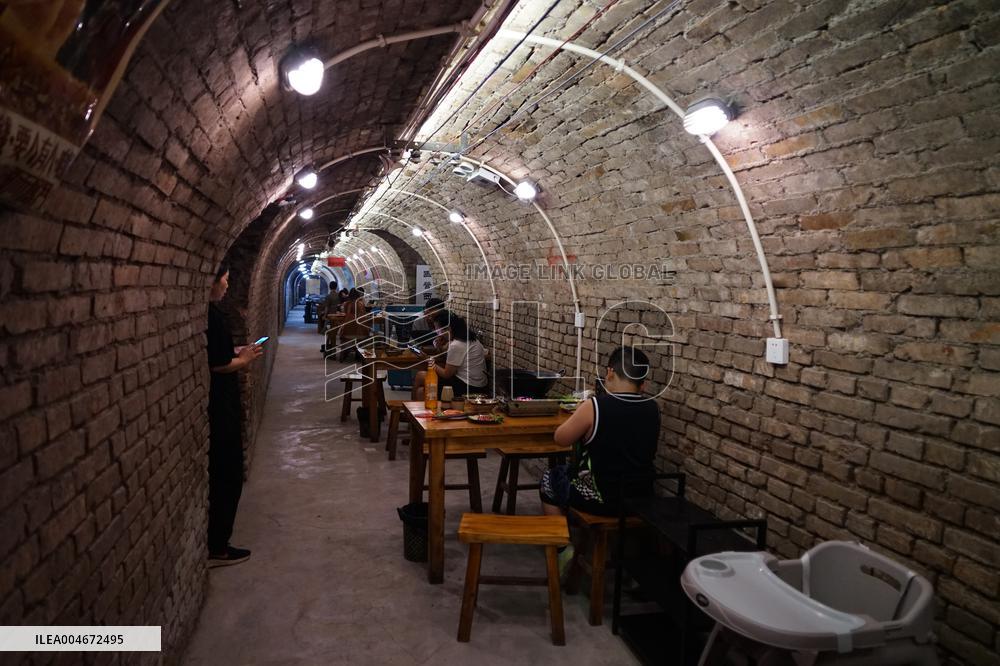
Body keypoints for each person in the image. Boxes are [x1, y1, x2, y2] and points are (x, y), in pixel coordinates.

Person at [539, 346, 660, 569]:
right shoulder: (652, 407)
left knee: (549, 479)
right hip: (640, 498)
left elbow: (560, 438)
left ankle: (562, 548)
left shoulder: (594, 406)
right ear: (642, 382)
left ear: (610, 372)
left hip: (601, 499)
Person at [206, 262, 263, 567]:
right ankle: (219, 545)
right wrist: (244, 360)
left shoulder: (212, 314)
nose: (227, 285)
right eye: (225, 280)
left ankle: (217, 541)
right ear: (211, 282)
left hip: (220, 403)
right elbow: (217, 364)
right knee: (227, 475)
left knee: (226, 473)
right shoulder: (212, 316)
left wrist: (240, 353)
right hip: (220, 403)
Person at [413, 313, 488, 400]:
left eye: (438, 330)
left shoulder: (457, 344)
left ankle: (409, 411)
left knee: (420, 376)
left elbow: (446, 374)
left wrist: (427, 360)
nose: (438, 333)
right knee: (421, 391)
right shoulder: (470, 339)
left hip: (468, 387)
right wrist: (440, 347)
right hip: (477, 385)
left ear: (448, 329)